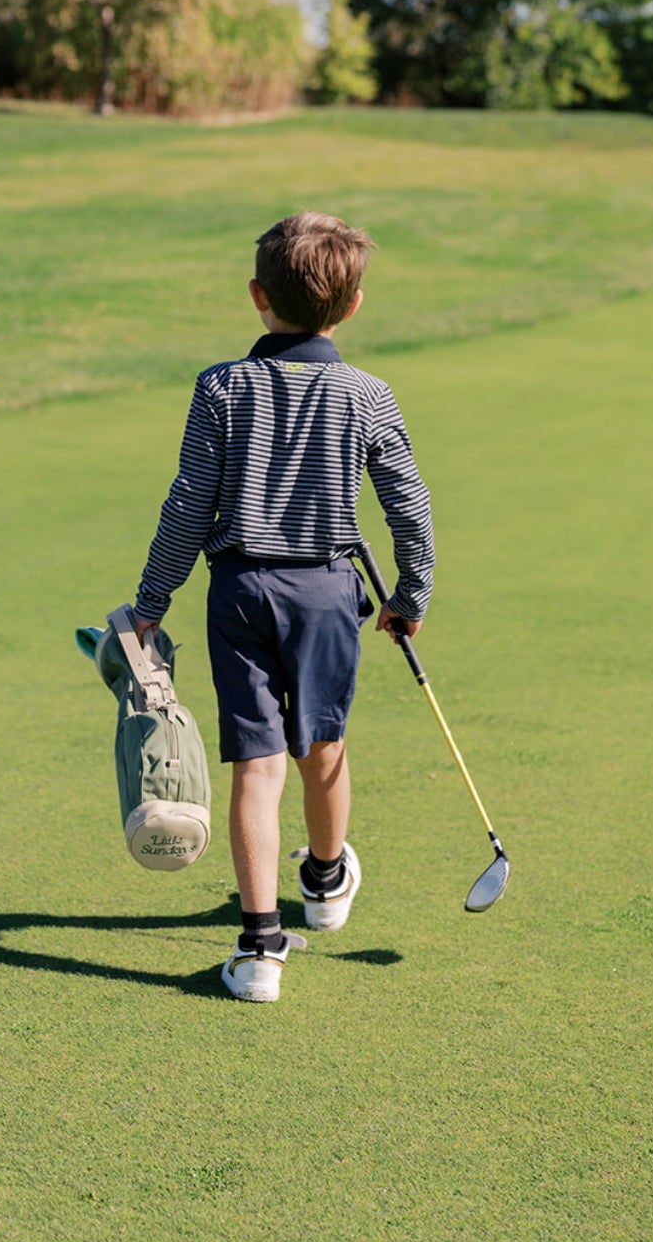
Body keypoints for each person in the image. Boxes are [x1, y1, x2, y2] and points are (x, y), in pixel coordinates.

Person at [133, 212, 434, 1001]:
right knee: (323, 746)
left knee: (258, 765)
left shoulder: (220, 386)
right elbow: (409, 503)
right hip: (327, 593)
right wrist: (410, 594)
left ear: (257, 295)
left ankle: (260, 948)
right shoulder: (369, 393)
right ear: (354, 304)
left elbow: (189, 504)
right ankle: (326, 882)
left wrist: (152, 599)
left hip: (239, 590)